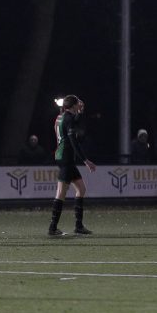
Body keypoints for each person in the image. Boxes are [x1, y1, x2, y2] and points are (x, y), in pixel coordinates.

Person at [48, 95, 96, 236]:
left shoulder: (60, 117)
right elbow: (74, 142)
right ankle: (52, 228)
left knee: (81, 189)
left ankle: (78, 226)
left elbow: (70, 122)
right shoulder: (68, 119)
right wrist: (86, 161)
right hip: (66, 157)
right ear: (74, 105)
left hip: (61, 155)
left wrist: (79, 113)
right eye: (78, 103)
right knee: (61, 193)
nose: (79, 104)